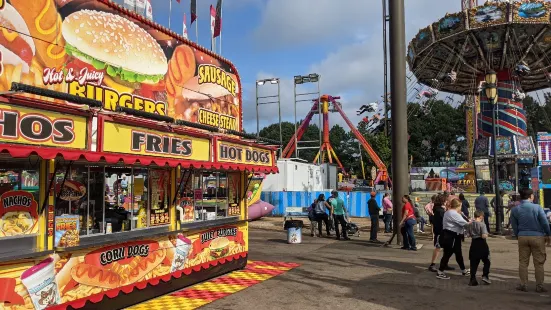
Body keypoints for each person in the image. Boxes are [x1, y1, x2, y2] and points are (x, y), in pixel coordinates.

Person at [511, 188, 551, 293]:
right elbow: (544, 222)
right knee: (539, 263)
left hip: (522, 237)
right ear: (531, 196)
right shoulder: (537, 208)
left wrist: (518, 235)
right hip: (537, 237)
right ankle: (539, 286)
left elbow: (514, 226)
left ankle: (523, 284)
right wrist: (548, 233)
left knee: (523, 262)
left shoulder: (515, 209)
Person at [436, 199, 470, 280]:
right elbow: (465, 224)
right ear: (458, 206)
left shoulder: (449, 212)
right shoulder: (453, 213)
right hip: (451, 236)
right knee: (448, 254)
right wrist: (474, 223)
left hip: (452, 235)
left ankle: (463, 270)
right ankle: (440, 271)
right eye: (460, 206)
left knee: (458, 254)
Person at [467, 210, 491, 286]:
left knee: (473, 262)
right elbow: (484, 235)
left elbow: (468, 234)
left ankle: (472, 278)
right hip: (481, 243)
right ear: (481, 216)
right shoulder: (482, 225)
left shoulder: (470, 224)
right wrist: (486, 234)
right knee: (486, 260)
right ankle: (485, 275)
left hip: (474, 243)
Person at [429, 194, 446, 272]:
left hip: (439, 231)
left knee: (443, 248)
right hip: (440, 231)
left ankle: (444, 263)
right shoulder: (440, 211)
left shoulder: (437, 209)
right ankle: (432, 264)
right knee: (438, 248)